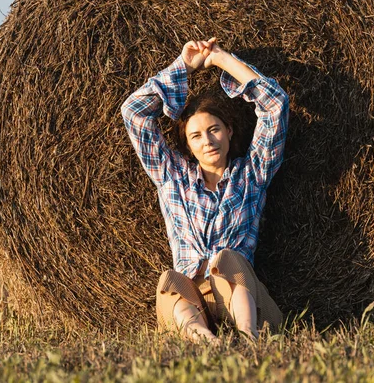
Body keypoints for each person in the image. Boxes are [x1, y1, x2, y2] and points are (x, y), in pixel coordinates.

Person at [121, 38, 289, 342]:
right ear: (187, 145)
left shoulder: (252, 174)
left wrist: (223, 60)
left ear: (229, 130)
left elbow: (275, 104)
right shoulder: (172, 177)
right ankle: (204, 341)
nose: (208, 141)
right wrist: (183, 66)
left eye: (214, 130)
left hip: (236, 293)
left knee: (229, 258)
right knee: (169, 280)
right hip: (191, 292)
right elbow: (134, 112)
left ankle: (249, 338)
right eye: (196, 136)